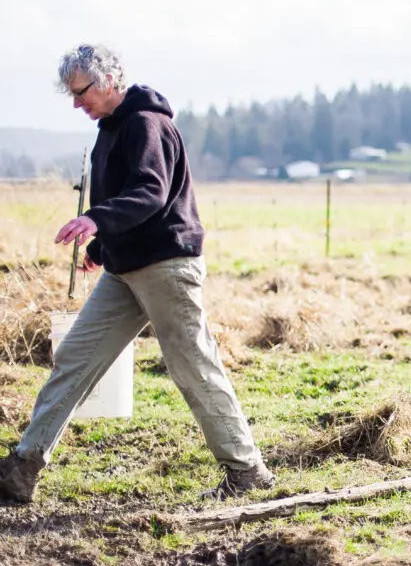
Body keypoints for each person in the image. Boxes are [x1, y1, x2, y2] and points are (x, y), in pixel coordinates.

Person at [0, 44, 274, 503]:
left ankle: (247, 472)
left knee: (192, 367)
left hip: (167, 265)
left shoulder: (147, 124)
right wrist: (101, 245)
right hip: (125, 270)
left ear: (109, 79)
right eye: (71, 94)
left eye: (80, 91)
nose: (75, 103)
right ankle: (22, 468)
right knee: (75, 359)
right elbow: (126, 203)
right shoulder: (110, 129)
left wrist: (96, 219)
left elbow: (150, 192)